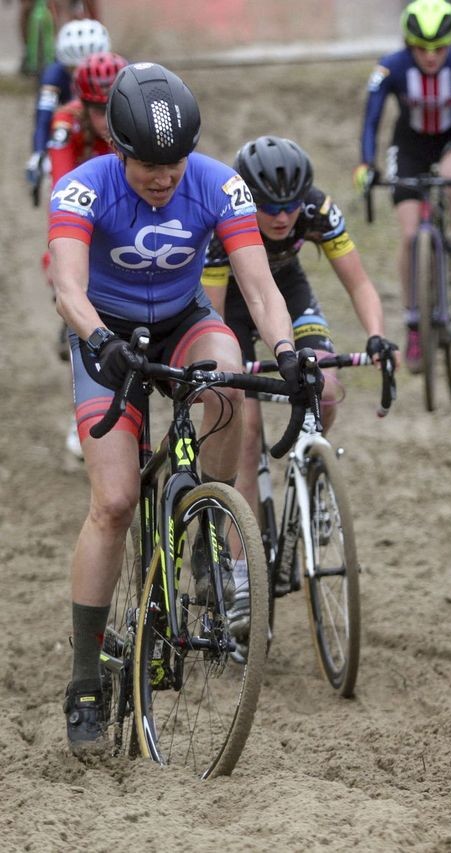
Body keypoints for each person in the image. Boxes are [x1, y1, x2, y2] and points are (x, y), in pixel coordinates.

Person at [49, 62, 313, 757]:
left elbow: (257, 288)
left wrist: (284, 350)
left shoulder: (219, 183)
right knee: (111, 501)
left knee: (228, 379)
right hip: (105, 334)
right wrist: (96, 338)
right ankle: (82, 677)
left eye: (175, 162)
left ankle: (202, 520)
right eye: (148, 166)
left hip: (184, 319)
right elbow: (68, 287)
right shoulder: (82, 187)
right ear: (118, 150)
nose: (164, 177)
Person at [203, 135, 395, 617]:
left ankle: (311, 471)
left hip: (288, 292)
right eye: (270, 206)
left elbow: (360, 282)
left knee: (326, 389)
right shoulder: (222, 221)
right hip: (235, 305)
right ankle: (241, 569)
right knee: (243, 433)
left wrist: (375, 336)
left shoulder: (317, 210)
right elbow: (212, 315)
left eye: (290, 205)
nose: (283, 217)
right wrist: (223, 373)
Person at [356, 0, 451, 374]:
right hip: (411, 143)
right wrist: (367, 164)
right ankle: (414, 322)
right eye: (421, 48)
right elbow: (371, 120)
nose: (430, 57)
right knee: (409, 234)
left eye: (439, 49)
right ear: (407, 43)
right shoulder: (391, 67)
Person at [44, 50, 128, 459]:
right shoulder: (67, 122)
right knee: (82, 328)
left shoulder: (134, 120)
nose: (107, 121)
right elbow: (62, 189)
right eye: (99, 111)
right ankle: (84, 412)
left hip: (121, 231)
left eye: (113, 109)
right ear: (84, 106)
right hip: (79, 222)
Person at [26, 18, 110, 191]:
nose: (82, 76)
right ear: (65, 65)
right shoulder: (54, 75)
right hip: (73, 125)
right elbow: (43, 117)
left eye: (91, 69)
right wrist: (38, 152)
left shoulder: (116, 70)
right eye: (74, 69)